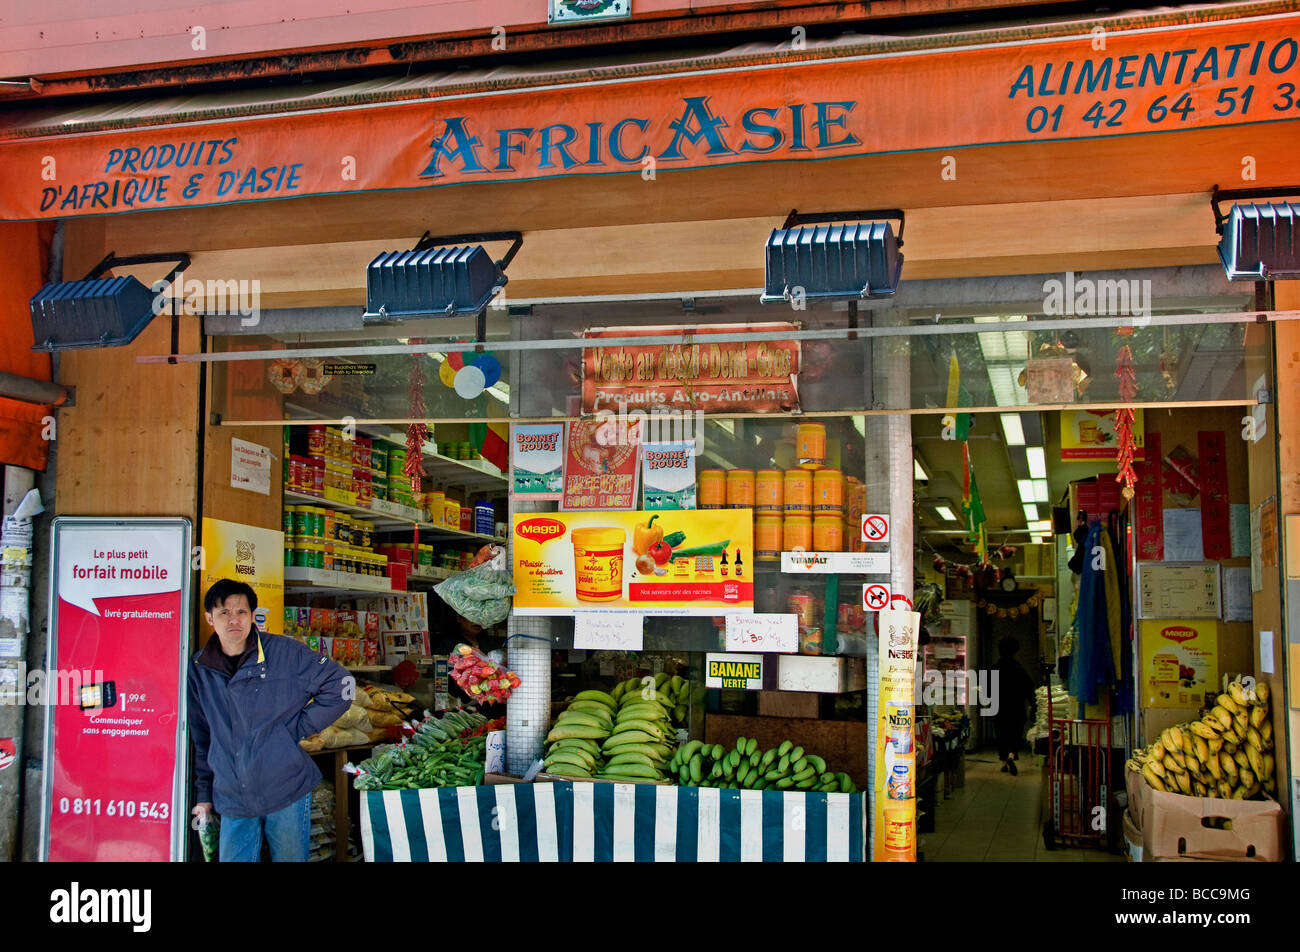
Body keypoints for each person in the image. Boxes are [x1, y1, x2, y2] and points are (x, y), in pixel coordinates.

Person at [188, 579, 352, 862]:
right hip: (232, 795)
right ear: (209, 618)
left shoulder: (285, 653)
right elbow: (203, 735)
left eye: (241, 612)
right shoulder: (201, 667)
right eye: (224, 613)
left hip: (284, 788)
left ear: (253, 616)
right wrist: (204, 793)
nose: (233, 620)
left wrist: (297, 728)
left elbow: (343, 684)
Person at [993, 636, 1035, 776]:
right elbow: (1029, 688)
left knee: (1001, 734)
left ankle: (1004, 763)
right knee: (1015, 733)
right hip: (1017, 707)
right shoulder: (1019, 669)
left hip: (998, 707)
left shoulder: (995, 668)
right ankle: (1011, 755)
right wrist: (1033, 704)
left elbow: (986, 689)